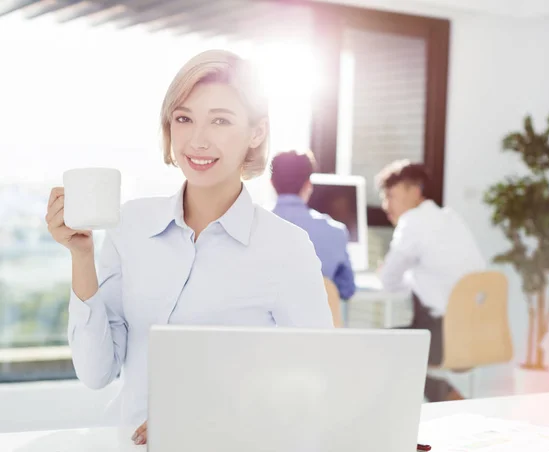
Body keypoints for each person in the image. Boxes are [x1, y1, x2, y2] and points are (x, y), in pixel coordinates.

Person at [45, 50, 333, 445]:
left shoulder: (286, 247)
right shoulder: (130, 225)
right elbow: (96, 373)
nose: (197, 140)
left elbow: (316, 380)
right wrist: (81, 257)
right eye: (184, 118)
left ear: (256, 132)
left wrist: (207, 415)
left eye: (220, 120)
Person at [376, 160, 485, 402]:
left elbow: (388, 281)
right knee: (400, 348)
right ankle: (447, 398)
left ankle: (442, 398)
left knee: (376, 344)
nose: (386, 205)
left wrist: (388, 272)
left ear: (414, 192)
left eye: (391, 196)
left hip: (445, 337)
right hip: (480, 332)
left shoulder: (412, 222)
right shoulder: (450, 218)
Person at [271, 150, 356, 313]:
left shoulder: (249, 226)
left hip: (262, 334)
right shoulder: (335, 232)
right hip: (317, 334)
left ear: (271, 183)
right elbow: (347, 289)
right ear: (308, 185)